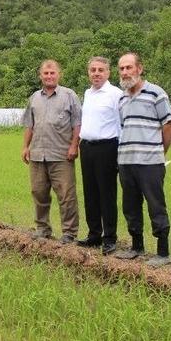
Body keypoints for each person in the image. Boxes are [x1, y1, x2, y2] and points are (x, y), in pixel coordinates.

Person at [115, 53, 171, 267]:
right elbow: (124, 128)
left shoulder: (156, 93)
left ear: (139, 69)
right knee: (130, 206)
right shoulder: (121, 99)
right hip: (126, 161)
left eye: (129, 67)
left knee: (155, 205)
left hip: (150, 162)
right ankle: (136, 247)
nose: (125, 72)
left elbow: (168, 125)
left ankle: (163, 252)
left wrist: (160, 152)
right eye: (121, 68)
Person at [21, 59, 82, 243]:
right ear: (40, 76)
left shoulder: (69, 95)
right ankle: (42, 228)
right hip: (38, 154)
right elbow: (29, 125)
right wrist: (25, 146)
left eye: (52, 73)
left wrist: (74, 146)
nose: (49, 76)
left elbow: (77, 124)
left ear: (59, 74)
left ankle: (69, 233)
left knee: (66, 195)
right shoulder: (34, 98)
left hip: (62, 154)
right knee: (38, 192)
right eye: (45, 73)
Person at [76, 57, 123, 256]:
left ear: (108, 73)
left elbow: (122, 124)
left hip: (107, 148)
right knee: (90, 193)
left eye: (100, 70)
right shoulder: (88, 93)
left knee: (107, 194)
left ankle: (110, 238)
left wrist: (120, 152)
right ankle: (94, 234)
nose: (96, 73)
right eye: (93, 70)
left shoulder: (116, 94)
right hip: (87, 147)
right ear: (88, 73)